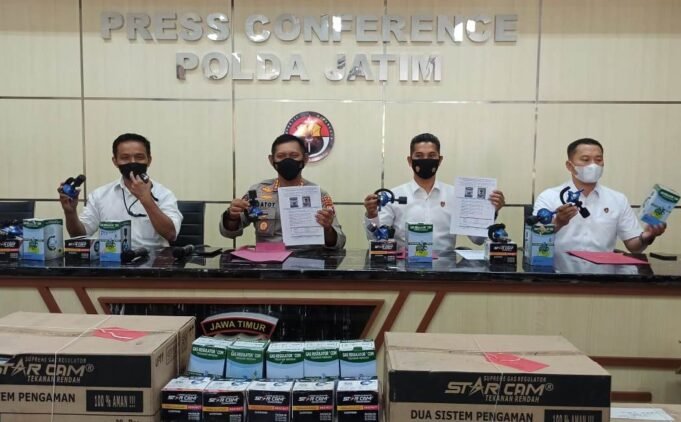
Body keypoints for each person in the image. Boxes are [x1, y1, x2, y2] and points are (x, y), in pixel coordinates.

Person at [362, 133, 505, 252]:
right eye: (419, 156)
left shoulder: (456, 196)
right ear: (410, 161)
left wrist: (491, 211)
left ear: (439, 160)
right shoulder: (393, 197)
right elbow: (375, 240)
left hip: (445, 270)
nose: (426, 160)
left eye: (431, 156)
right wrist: (372, 215)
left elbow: (478, 239)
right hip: (403, 269)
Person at [533, 138, 666, 254]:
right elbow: (535, 239)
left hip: (603, 274)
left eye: (598, 160)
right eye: (585, 160)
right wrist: (558, 223)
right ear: (570, 166)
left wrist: (648, 236)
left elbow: (634, 247)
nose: (593, 165)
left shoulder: (618, 200)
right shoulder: (549, 197)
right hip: (558, 272)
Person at [58, 133, 183, 250]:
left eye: (139, 157)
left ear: (149, 160)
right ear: (115, 161)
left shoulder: (164, 194)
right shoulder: (99, 195)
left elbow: (171, 234)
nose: (132, 162)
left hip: (155, 261)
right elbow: (79, 236)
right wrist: (70, 213)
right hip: (111, 260)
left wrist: (146, 199)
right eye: (125, 158)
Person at [220, 134, 345, 249]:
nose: (287, 160)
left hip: (308, 260)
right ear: (272, 160)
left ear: (305, 159)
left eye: (294, 155)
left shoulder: (319, 195)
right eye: (281, 156)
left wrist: (328, 229)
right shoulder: (257, 192)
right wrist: (231, 217)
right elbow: (229, 232)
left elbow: (339, 243)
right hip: (267, 261)